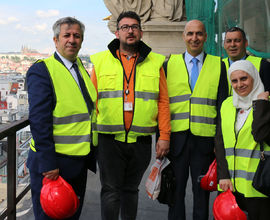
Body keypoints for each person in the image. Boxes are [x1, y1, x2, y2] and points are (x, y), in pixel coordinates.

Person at [90, 11, 171, 220]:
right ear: (117, 33)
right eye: (125, 27)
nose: (130, 31)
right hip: (109, 140)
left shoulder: (156, 62)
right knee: (110, 190)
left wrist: (164, 136)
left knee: (130, 190)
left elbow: (163, 101)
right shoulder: (100, 61)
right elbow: (92, 101)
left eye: (134, 26)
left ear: (141, 32)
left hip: (141, 141)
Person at [27, 17, 97, 220]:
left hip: (77, 161)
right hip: (54, 167)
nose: (72, 40)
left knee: (72, 213)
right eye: (67, 35)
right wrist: (48, 163)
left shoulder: (80, 67)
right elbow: (39, 121)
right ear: (56, 40)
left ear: (82, 41)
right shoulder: (42, 70)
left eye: (77, 36)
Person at [166, 19, 228, 220]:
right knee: (175, 194)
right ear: (183, 36)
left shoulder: (218, 65)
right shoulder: (169, 64)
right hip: (176, 142)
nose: (195, 38)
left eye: (199, 34)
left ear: (206, 37)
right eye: (190, 33)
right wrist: (162, 138)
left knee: (202, 195)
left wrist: (219, 144)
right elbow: (163, 105)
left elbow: (222, 109)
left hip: (205, 143)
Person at [215, 60, 270, 220]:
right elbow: (220, 142)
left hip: (259, 186)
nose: (239, 84)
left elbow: (261, 134)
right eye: (234, 80)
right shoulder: (227, 105)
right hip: (230, 186)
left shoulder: (266, 103)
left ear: (254, 77)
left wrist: (260, 104)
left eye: (244, 78)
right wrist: (223, 175)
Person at [223, 26, 270, 94]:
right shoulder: (219, 65)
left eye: (237, 41)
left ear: (246, 43)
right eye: (229, 41)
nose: (232, 45)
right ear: (224, 45)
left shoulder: (263, 65)